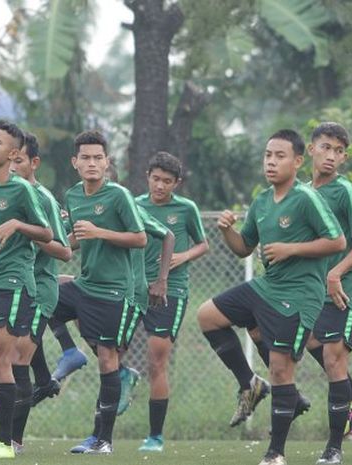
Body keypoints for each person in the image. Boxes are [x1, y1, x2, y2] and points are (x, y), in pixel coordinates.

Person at [197, 129, 346, 465]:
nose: (271, 161)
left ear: (297, 161)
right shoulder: (262, 201)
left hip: (299, 295)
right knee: (207, 315)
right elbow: (244, 248)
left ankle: (275, 453)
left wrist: (292, 248)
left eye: (280, 156)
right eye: (267, 155)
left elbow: (337, 242)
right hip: (267, 287)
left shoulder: (307, 198)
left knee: (282, 369)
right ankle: (250, 383)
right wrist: (226, 231)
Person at [51, 130, 146, 454]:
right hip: (85, 284)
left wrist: (99, 232)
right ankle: (62, 358)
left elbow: (140, 238)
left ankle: (102, 440)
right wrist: (51, 245)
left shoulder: (118, 196)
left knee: (107, 360)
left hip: (114, 293)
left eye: (98, 158)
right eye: (86, 158)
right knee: (40, 301)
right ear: (75, 162)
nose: (92, 163)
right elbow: (76, 239)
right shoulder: (73, 196)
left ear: (107, 162)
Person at [0, 120, 53, 459]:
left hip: (16, 281)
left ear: (14, 153)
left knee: (1, 359)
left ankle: (5, 443)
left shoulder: (22, 190)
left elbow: (48, 235)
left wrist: (17, 223)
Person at [304, 123, 352, 464]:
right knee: (296, 341)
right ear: (310, 149)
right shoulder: (301, 192)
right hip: (310, 291)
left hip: (346, 291)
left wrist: (337, 272)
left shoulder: (347, 191)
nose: (331, 155)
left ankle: (333, 450)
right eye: (325, 147)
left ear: (344, 157)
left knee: (334, 359)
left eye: (338, 150)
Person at [134, 151, 209, 451]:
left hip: (171, 291)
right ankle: (103, 433)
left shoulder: (186, 209)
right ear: (147, 177)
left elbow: (203, 244)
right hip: (135, 289)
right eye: (156, 179)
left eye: (167, 181)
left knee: (156, 361)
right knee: (109, 351)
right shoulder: (136, 205)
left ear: (176, 183)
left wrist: (182, 256)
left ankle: (155, 436)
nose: (160, 186)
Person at [7, 131, 72, 454]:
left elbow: (64, 252)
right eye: (10, 159)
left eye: (18, 160)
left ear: (33, 163)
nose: (12, 166)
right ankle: (45, 380)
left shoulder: (43, 198)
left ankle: (12, 440)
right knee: (3, 356)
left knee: (18, 358)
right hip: (8, 286)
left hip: (39, 289)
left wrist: (28, 233)